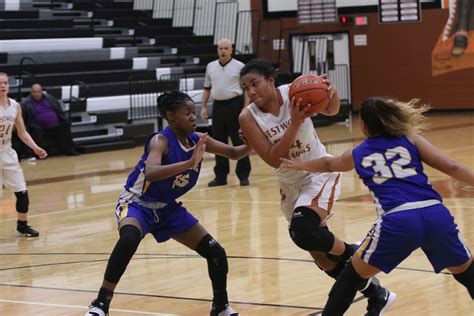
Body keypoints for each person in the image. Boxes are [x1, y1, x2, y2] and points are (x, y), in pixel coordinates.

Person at [280, 96, 474, 315]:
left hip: (399, 219)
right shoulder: (410, 139)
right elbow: (452, 166)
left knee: (350, 278)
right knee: (467, 273)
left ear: (363, 125)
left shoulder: (359, 152)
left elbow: (328, 163)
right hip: (435, 213)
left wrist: (301, 163)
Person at [238, 59, 395, 315]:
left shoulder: (296, 91)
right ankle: (377, 293)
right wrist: (295, 123)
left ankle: (355, 253)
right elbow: (273, 159)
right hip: (288, 182)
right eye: (246, 87)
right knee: (320, 256)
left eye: (255, 84)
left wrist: (331, 93)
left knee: (303, 231)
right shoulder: (247, 116)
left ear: (270, 80)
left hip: (318, 171)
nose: (251, 91)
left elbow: (332, 110)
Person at [85, 90, 252, 316]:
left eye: (194, 112)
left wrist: (254, 141)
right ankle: (101, 304)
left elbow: (233, 152)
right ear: (171, 116)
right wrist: (191, 162)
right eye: (187, 113)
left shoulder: (198, 139)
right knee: (129, 238)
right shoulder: (160, 140)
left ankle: (220, 307)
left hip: (167, 208)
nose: (193, 117)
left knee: (216, 252)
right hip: (138, 204)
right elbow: (152, 172)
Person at [0, 72, 47, 237]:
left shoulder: (15, 106)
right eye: (0, 83)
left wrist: (35, 148)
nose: (3, 86)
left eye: (5, 83)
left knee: (22, 192)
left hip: (7, 152)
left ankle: (22, 225)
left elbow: (22, 132)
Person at [200, 38, 251, 187]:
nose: (223, 51)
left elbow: (246, 89)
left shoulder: (239, 66)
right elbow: (207, 88)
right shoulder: (210, 66)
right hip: (218, 106)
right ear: (217, 50)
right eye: (220, 48)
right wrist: (203, 106)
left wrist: (245, 107)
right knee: (218, 142)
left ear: (231, 50)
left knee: (239, 140)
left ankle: (243, 175)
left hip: (235, 104)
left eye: (226, 48)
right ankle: (220, 177)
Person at [19, 83, 79, 158]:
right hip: (39, 125)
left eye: (38, 91)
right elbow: (27, 118)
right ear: (31, 92)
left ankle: (70, 150)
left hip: (56, 124)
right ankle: (41, 154)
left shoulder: (50, 98)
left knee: (65, 125)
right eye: (34, 92)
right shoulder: (26, 103)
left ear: (42, 91)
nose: (36, 94)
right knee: (36, 130)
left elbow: (59, 110)